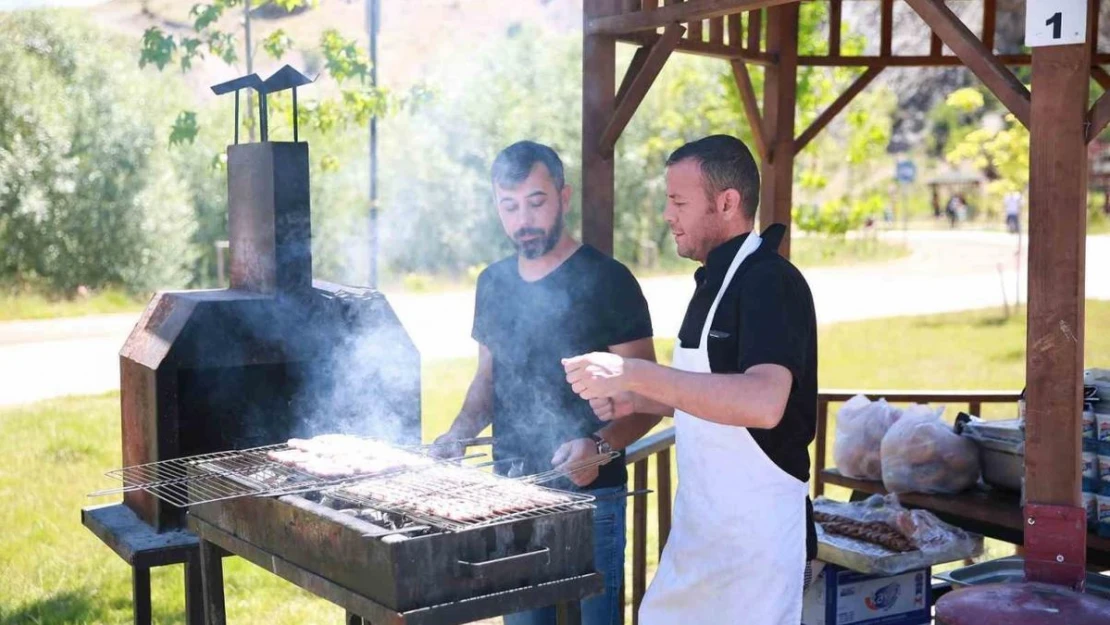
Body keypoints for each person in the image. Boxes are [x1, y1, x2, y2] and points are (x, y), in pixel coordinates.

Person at [562, 135, 818, 625]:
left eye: (678, 201)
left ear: (727, 203)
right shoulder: (713, 281)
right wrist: (636, 397)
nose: (666, 214)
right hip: (701, 532)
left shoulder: (770, 281)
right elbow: (711, 395)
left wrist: (636, 372)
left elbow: (764, 403)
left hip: (753, 550)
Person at [433, 140, 660, 625]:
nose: (523, 220)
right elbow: (487, 380)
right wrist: (458, 434)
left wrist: (598, 448)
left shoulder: (609, 280)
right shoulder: (492, 283)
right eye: (509, 206)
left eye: (536, 202)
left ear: (564, 195)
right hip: (512, 494)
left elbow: (651, 399)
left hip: (591, 499)